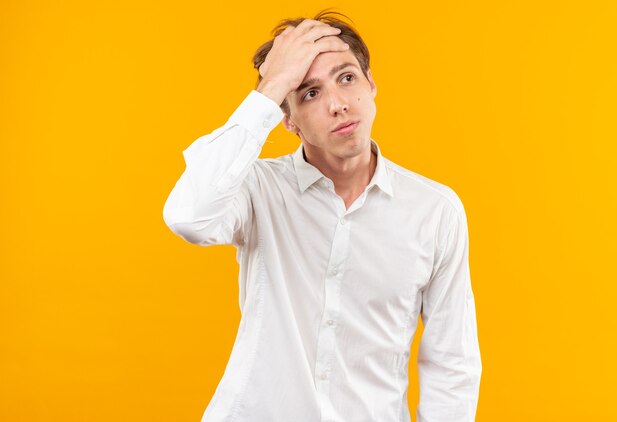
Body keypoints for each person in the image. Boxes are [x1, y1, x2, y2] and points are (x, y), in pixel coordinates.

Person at [163, 10, 482, 422]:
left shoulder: (435, 210)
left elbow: (451, 364)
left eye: (347, 78)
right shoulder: (258, 188)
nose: (337, 105)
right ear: (288, 121)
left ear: (371, 85)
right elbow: (189, 216)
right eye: (310, 93)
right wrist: (271, 86)